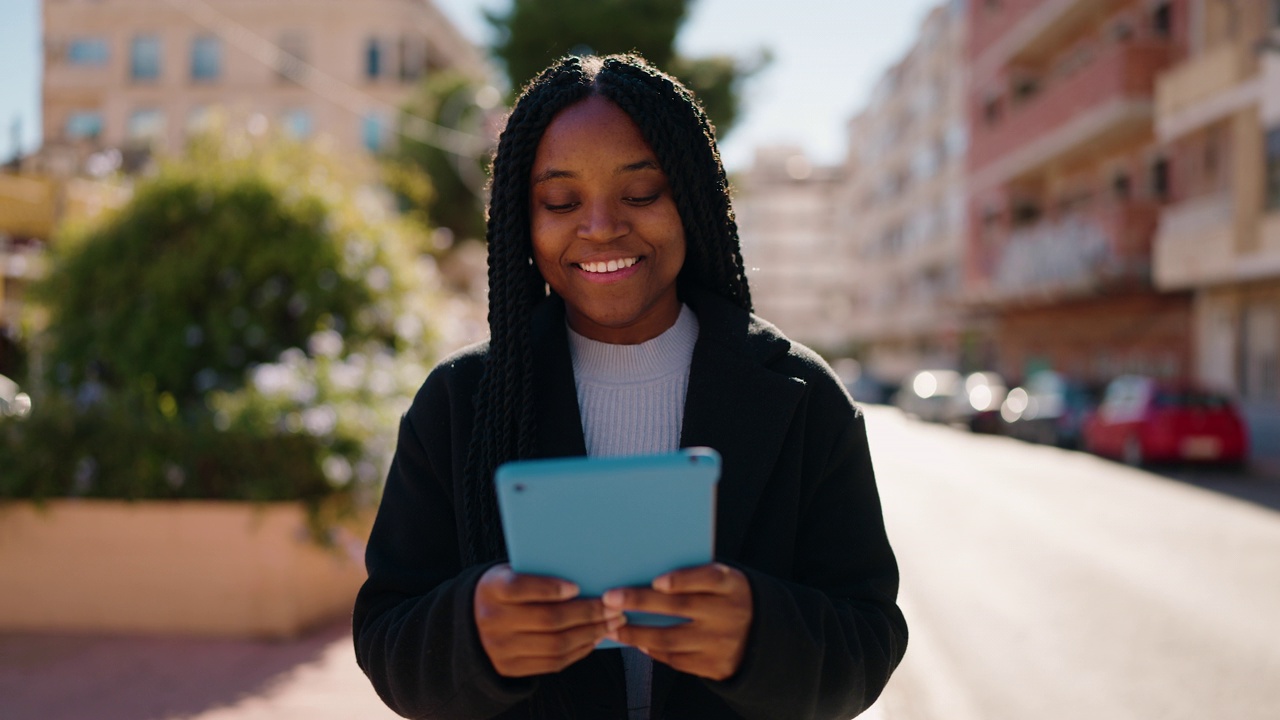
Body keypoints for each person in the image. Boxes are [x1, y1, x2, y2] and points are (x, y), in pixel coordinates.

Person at [353, 53, 907, 720]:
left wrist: (760, 635)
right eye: (560, 200)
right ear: (521, 221)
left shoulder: (804, 396)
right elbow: (387, 633)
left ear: (691, 199)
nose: (601, 226)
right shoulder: (459, 400)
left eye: (640, 194)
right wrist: (473, 635)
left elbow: (869, 637)